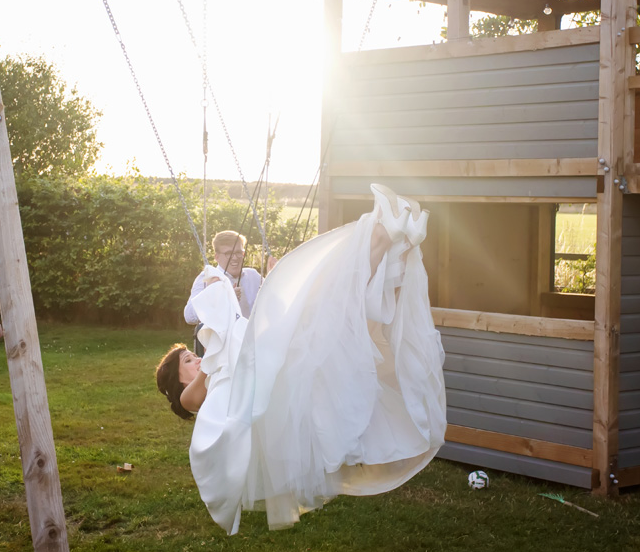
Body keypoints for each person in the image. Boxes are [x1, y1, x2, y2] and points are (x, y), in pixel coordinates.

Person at [156, 184, 446, 534]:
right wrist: (212, 351)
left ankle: (390, 242)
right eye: (188, 361)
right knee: (332, 305)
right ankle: (388, 241)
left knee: (330, 300)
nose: (196, 361)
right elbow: (211, 374)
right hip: (273, 374)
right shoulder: (193, 395)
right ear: (180, 379)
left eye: (191, 356)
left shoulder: (217, 362)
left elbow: (235, 344)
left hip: (270, 356)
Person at [184, 231, 263, 357]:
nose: (235, 257)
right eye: (228, 253)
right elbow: (189, 316)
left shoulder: (253, 276)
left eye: (238, 252)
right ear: (216, 257)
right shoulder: (206, 278)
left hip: (253, 347)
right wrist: (214, 295)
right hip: (222, 352)